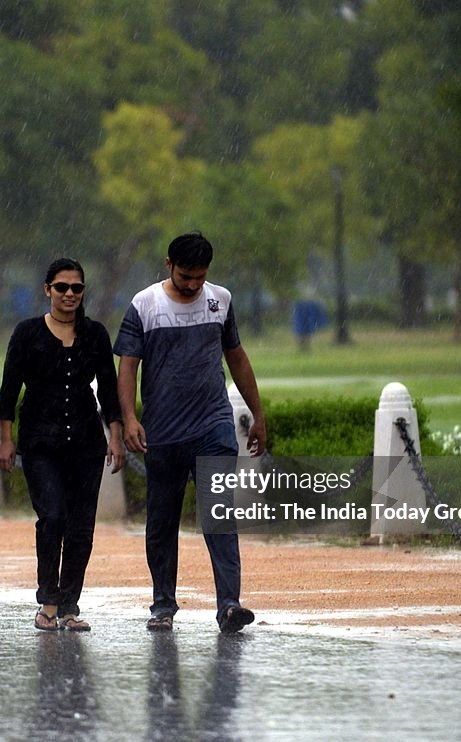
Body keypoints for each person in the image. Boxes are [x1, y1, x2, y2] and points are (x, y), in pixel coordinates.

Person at [114, 232, 266, 633]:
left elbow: (236, 356)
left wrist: (258, 413)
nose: (194, 285)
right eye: (186, 276)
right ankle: (163, 603)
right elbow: (127, 366)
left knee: (219, 515)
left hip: (212, 426)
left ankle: (230, 605)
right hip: (162, 433)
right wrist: (130, 418)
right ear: (169, 265)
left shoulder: (221, 300)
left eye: (200, 277)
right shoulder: (144, 305)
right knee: (162, 520)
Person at [0, 258, 125, 632]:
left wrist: (115, 435)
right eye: (62, 287)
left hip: (86, 441)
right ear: (47, 290)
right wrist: (6, 439)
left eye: (77, 288)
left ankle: (70, 605)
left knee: (82, 526)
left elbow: (109, 389)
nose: (69, 294)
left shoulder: (96, 334)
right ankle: (48, 601)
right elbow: (10, 389)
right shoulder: (27, 333)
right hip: (40, 441)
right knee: (52, 517)